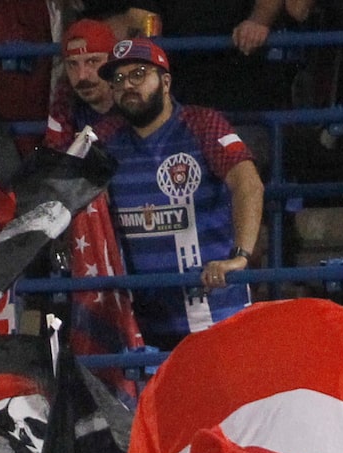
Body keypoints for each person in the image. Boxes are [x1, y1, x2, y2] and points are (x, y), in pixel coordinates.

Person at [96, 40, 262, 349]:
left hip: (215, 313)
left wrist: (239, 258)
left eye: (139, 74)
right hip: (141, 324)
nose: (128, 85)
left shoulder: (202, 124)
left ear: (166, 81)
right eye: (118, 79)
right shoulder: (105, 139)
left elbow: (248, 185)